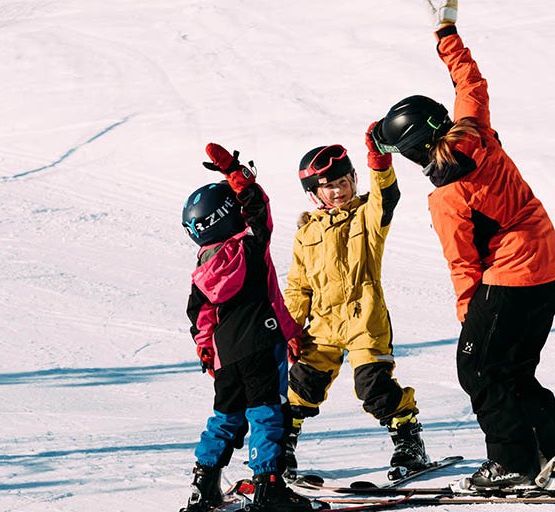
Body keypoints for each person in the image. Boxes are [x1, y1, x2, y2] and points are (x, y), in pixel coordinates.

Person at [371, 1, 555, 491]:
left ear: (416, 151)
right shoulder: (475, 129)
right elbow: (470, 83)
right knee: (517, 369)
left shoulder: (448, 198)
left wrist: (470, 318)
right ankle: (547, 456)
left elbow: (463, 264)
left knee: (478, 366)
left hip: (514, 276)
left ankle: (510, 464)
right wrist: (446, 32)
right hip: (552, 266)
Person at [181, 143, 326, 511]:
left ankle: (204, 484)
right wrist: (238, 176)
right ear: (230, 214)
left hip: (226, 357)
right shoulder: (250, 246)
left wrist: (207, 351)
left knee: (226, 416)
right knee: (266, 412)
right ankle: (270, 487)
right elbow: (260, 210)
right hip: (261, 344)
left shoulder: (202, 269)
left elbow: (200, 318)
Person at [282, 136, 431, 481]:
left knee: (373, 387)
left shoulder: (367, 216)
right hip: (322, 327)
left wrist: (379, 165)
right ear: (314, 194)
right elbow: (298, 287)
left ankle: (409, 442)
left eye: (344, 182)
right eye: (330, 186)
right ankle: (282, 447)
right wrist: (290, 328)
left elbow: (386, 199)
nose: (338, 191)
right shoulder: (306, 234)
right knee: (300, 388)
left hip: (365, 320)